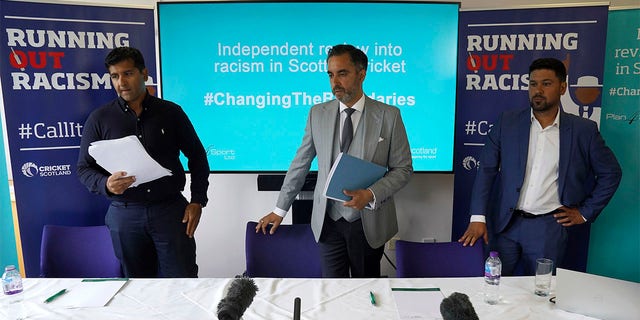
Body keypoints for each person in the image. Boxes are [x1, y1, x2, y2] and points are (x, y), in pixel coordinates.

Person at [256, 44, 413, 278]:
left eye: (342, 73)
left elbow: (403, 169)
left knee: (365, 293)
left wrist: (370, 193)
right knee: (331, 291)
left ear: (361, 74)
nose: (334, 82)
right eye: (330, 74)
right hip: (327, 221)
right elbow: (300, 163)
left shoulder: (389, 115)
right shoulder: (317, 113)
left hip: (368, 222)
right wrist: (280, 210)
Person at [458, 57, 622, 275]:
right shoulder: (507, 122)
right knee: (493, 288)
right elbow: (486, 170)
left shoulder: (583, 130)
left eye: (546, 84)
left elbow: (611, 173)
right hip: (505, 224)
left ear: (562, 87)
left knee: (542, 294)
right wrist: (478, 217)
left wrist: (584, 213)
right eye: (533, 84)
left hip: (548, 228)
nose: (538, 90)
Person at [77, 47, 209, 278]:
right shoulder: (100, 118)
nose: (121, 82)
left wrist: (198, 200)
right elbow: (83, 168)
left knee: (182, 282)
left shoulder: (171, 113)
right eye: (115, 77)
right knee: (134, 288)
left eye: (128, 74)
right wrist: (106, 184)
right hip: (125, 215)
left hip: (170, 212)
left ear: (144, 73)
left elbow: (197, 157)